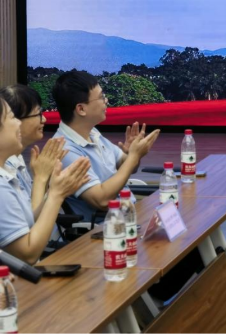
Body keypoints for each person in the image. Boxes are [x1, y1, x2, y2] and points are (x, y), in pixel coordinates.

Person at [51, 70, 160, 221]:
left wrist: (132, 154)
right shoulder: (65, 150)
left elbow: (128, 166)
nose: (106, 100)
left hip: (129, 215)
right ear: (81, 109)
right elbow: (101, 200)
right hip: (107, 228)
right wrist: (134, 156)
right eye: (101, 97)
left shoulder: (93, 133)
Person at [0, 95, 91, 263]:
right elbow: (28, 254)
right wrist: (55, 194)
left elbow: (29, 220)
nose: (19, 123)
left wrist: (56, 189)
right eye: (12, 117)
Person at [0, 84, 69, 215]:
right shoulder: (5, 168)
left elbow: (33, 208)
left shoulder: (16, 158)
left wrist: (47, 178)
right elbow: (30, 224)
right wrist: (42, 178)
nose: (44, 119)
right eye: (38, 114)